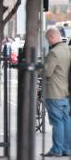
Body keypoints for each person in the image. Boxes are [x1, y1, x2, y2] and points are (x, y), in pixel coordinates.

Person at [43, 27, 71, 157]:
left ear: (52, 37)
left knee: (57, 122)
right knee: (66, 120)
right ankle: (67, 149)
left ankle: (57, 149)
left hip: (54, 92)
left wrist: (37, 68)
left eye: (48, 39)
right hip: (65, 92)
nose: (48, 42)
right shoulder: (67, 49)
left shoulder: (54, 53)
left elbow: (47, 72)